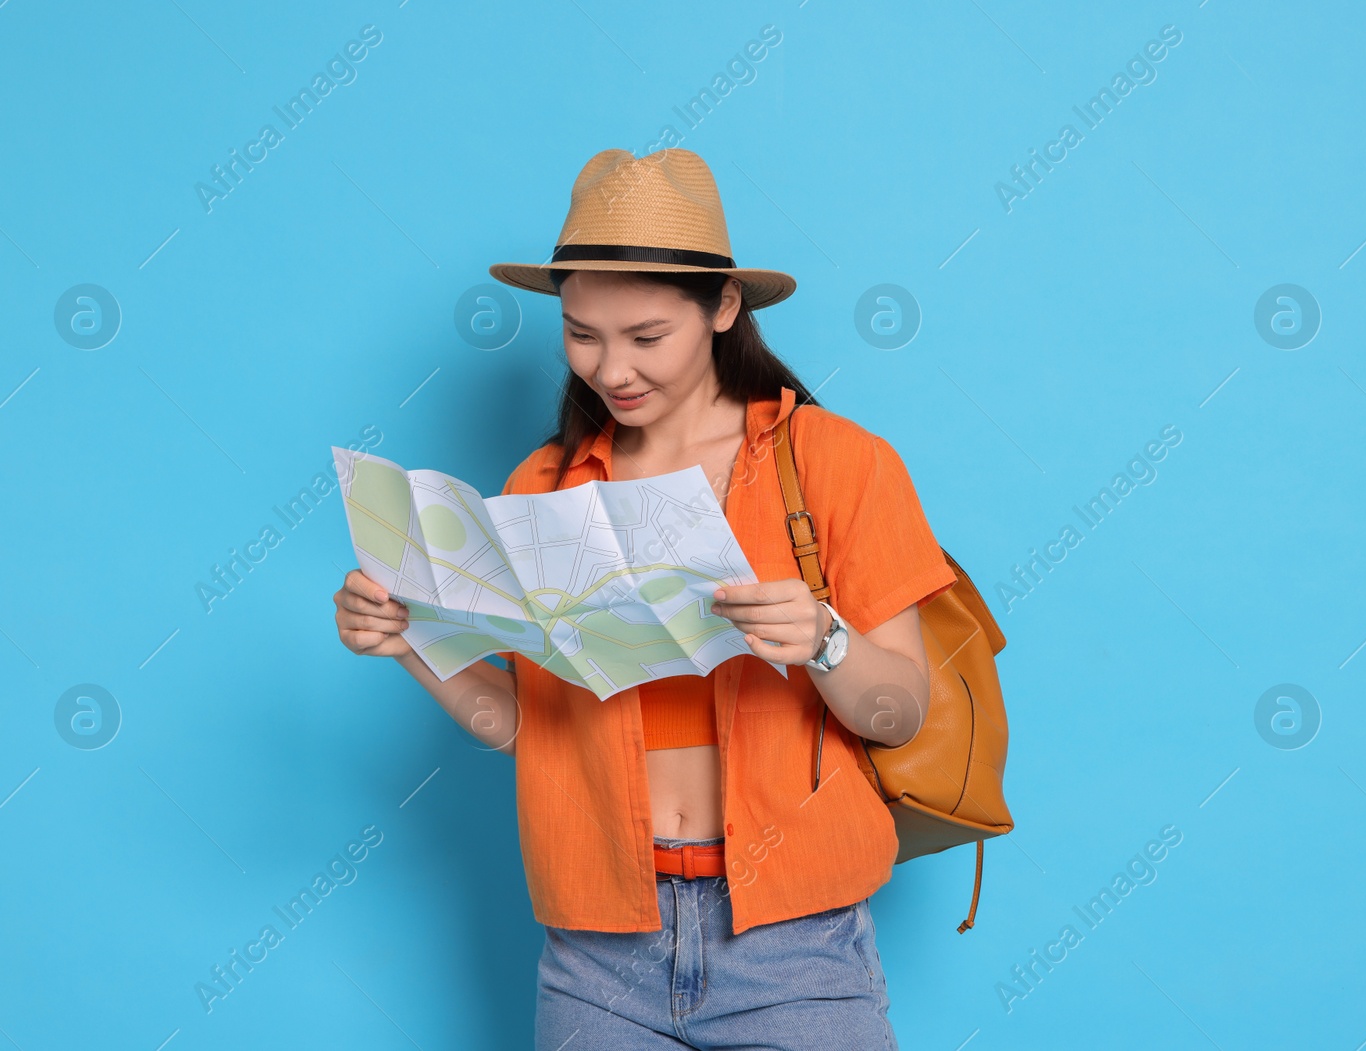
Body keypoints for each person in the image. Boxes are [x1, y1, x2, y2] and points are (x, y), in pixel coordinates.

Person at [333, 147, 956, 1050]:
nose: (610, 369)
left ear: (724, 308)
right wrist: (411, 640)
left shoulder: (834, 462)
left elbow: (899, 712)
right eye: (582, 333)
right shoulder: (541, 486)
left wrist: (823, 638)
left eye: (646, 337)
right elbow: (515, 725)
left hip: (796, 943)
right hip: (595, 951)